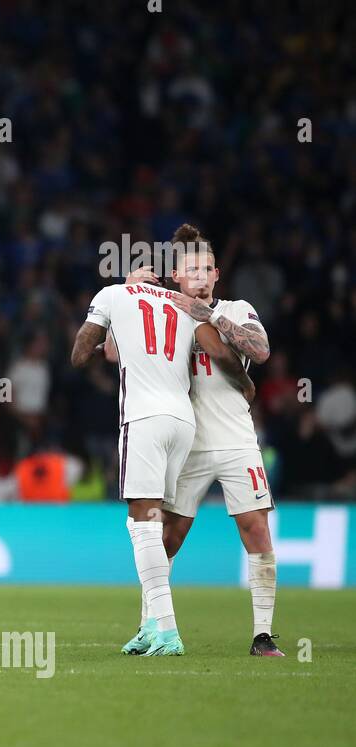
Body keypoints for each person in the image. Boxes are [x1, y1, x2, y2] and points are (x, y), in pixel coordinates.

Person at [71, 231, 252, 656]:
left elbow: (82, 355)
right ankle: (150, 625)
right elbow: (222, 356)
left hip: (145, 419)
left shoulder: (115, 294)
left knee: (145, 525)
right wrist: (246, 384)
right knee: (143, 522)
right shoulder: (182, 306)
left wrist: (111, 310)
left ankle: (167, 631)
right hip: (183, 422)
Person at [124, 224, 282, 656]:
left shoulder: (236, 309)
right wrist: (127, 292)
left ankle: (263, 635)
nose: (200, 274)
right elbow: (111, 352)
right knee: (168, 538)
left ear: (217, 274)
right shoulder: (158, 312)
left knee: (256, 529)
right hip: (186, 441)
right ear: (176, 275)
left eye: (207, 268)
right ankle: (149, 626)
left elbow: (262, 351)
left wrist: (209, 316)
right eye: (191, 268)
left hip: (236, 439)